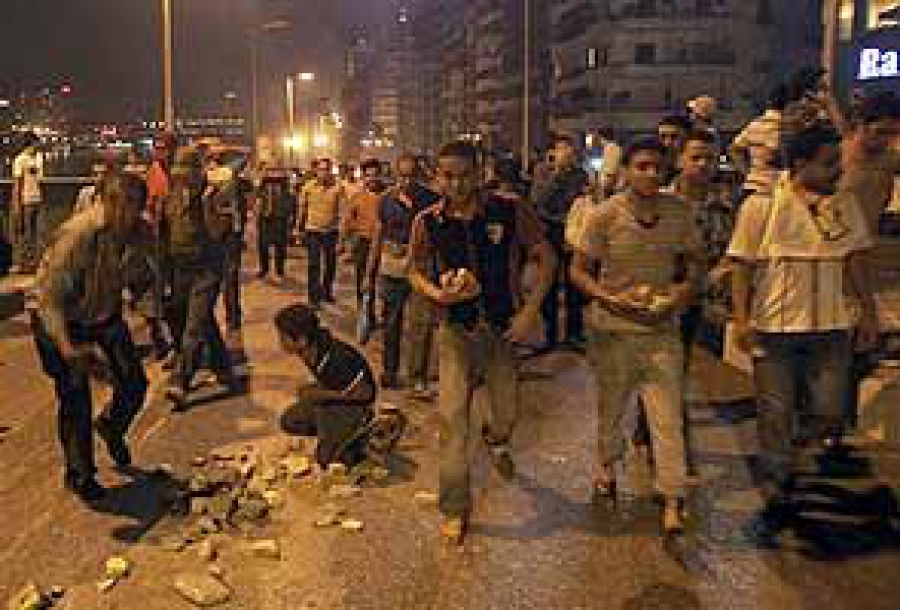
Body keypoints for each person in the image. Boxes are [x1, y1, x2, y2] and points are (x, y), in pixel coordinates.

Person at [728, 125, 877, 537]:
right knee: (774, 412)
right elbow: (741, 264)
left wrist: (868, 314)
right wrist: (741, 319)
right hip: (774, 327)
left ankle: (790, 451)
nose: (837, 171)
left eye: (838, 162)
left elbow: (856, 259)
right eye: (829, 164)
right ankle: (778, 487)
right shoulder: (761, 205)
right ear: (800, 164)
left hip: (831, 326)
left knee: (831, 410)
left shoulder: (844, 204)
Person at [409, 140, 555, 544]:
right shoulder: (428, 221)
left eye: (463, 176)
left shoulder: (509, 209)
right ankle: (455, 508)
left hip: (502, 330)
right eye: (447, 176)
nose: (455, 184)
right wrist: (437, 293)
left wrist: (530, 312)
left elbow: (546, 257)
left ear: (478, 174)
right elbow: (414, 269)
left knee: (507, 413)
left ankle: (497, 436)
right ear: (437, 177)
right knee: (452, 421)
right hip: (455, 333)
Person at [571, 137, 704, 536]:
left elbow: (696, 266)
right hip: (613, 331)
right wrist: (608, 298)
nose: (650, 174)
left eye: (658, 168)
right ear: (626, 170)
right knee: (612, 408)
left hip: (662, 328)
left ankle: (672, 497)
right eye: (642, 166)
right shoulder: (605, 215)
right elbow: (578, 271)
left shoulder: (680, 213)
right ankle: (607, 466)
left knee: (667, 415)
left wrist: (678, 297)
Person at [29, 172, 150, 502]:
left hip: (103, 315)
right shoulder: (78, 235)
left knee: (134, 384)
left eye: (135, 206)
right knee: (75, 396)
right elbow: (49, 300)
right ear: (106, 202)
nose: (127, 214)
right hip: (60, 320)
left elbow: (144, 276)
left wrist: (153, 312)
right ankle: (80, 473)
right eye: (121, 205)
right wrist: (68, 348)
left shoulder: (141, 233)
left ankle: (111, 426)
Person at [161, 148, 237, 411]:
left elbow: (218, 232)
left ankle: (180, 382)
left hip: (207, 268)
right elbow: (165, 234)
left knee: (193, 326)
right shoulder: (172, 196)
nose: (182, 178)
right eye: (178, 173)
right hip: (180, 268)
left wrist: (205, 206)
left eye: (187, 173)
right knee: (200, 320)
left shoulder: (217, 194)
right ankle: (222, 364)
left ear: (198, 171)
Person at [365, 153, 441, 393]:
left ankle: (417, 375)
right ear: (395, 175)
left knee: (421, 323)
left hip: (421, 267)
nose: (406, 182)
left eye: (411, 176)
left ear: (419, 176)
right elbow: (378, 235)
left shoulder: (432, 200)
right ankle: (390, 370)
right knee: (391, 322)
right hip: (392, 266)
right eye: (402, 176)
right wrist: (370, 272)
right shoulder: (386, 200)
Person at [276, 303, 378, 468]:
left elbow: (365, 393)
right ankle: (335, 433)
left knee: (326, 459)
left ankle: (358, 431)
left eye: (283, 337)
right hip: (332, 400)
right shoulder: (308, 350)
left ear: (301, 340)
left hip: (355, 405)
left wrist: (322, 394)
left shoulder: (337, 358)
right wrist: (318, 392)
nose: (280, 342)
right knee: (289, 421)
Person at [532, 131, 590, 353]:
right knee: (548, 283)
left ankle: (574, 333)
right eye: (562, 149)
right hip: (549, 230)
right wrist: (557, 174)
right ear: (553, 152)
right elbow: (539, 200)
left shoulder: (580, 174)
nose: (567, 153)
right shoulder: (542, 170)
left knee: (575, 283)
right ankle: (550, 335)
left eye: (570, 149)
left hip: (573, 231)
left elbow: (581, 203)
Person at [300, 158, 345, 308]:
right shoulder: (308, 187)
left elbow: (342, 212)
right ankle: (313, 297)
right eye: (320, 169)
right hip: (313, 231)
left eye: (326, 170)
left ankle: (326, 291)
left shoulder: (338, 188)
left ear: (330, 171)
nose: (323, 173)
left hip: (331, 232)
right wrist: (297, 228)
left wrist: (342, 237)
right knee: (314, 264)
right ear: (316, 171)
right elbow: (302, 208)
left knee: (330, 264)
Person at [731, 86, 788, 201]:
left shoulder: (755, 124)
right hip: (774, 190)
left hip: (751, 187)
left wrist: (747, 172)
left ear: (769, 102)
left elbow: (734, 148)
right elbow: (775, 157)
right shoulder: (785, 127)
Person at [342, 158, 385, 304]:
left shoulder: (389, 196)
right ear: (363, 176)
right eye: (368, 175)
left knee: (384, 281)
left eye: (375, 175)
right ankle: (364, 310)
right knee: (362, 278)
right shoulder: (357, 196)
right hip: (363, 242)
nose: (371, 179)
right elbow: (348, 219)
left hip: (384, 244)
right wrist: (344, 242)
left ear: (380, 175)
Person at [11, 132, 45, 272]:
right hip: (26, 201)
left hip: (38, 199)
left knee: (38, 234)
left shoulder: (39, 157)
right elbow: (17, 184)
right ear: (30, 143)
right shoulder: (20, 160)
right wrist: (16, 205)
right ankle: (23, 263)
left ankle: (35, 262)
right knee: (25, 234)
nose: (38, 146)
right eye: (36, 143)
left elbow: (40, 179)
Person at [256, 166, 295, 282]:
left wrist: (289, 216)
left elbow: (291, 202)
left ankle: (279, 270)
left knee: (280, 246)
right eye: (271, 172)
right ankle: (264, 269)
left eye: (276, 172)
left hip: (280, 219)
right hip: (265, 219)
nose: (274, 175)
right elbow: (256, 199)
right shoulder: (262, 187)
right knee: (263, 246)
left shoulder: (286, 188)